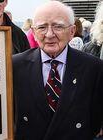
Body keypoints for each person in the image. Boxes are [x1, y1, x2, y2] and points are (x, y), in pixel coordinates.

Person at [13, 1, 103, 140]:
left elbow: (96, 120)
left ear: (72, 31)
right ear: (34, 32)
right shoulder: (15, 65)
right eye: (42, 27)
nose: (49, 34)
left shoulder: (93, 68)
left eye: (58, 26)